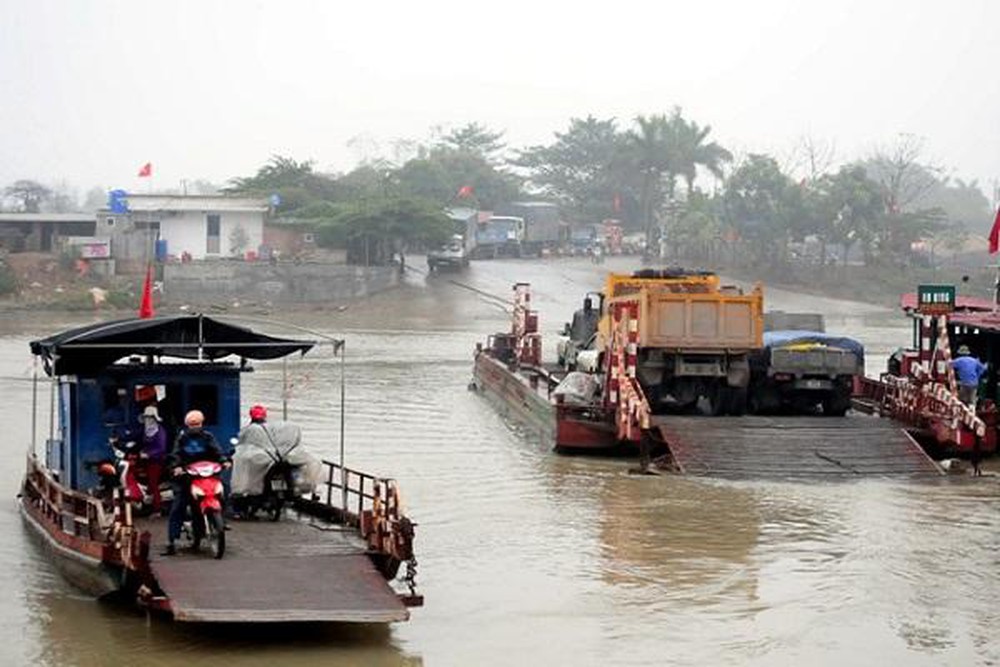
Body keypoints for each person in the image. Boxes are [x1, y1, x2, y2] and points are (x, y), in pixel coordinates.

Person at [162, 410, 228, 556]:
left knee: (224, 489)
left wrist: (224, 460)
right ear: (187, 425)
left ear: (202, 423)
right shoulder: (182, 438)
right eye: (192, 424)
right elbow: (175, 454)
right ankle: (171, 540)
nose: (195, 427)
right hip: (186, 477)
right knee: (178, 506)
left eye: (197, 424)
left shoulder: (208, 437)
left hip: (206, 475)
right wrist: (176, 467)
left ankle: (223, 519)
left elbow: (217, 451)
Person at [138, 405, 168, 514]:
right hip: (146, 460)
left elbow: (161, 448)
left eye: (150, 417)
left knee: (153, 483)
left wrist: (149, 454)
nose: (148, 419)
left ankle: (157, 509)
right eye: (146, 417)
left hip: (156, 461)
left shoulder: (160, 431)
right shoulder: (146, 430)